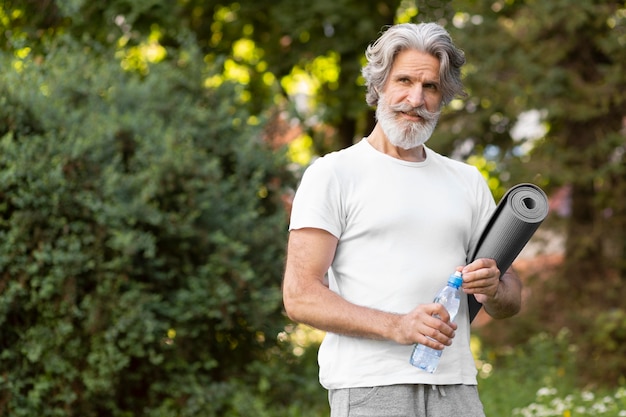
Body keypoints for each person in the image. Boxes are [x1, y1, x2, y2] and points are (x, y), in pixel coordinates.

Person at [282, 22, 522, 417]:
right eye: (404, 80)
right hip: (370, 389)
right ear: (378, 85)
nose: (416, 98)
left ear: (443, 96)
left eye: (430, 87)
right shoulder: (333, 174)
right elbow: (300, 296)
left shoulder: (468, 180)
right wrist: (397, 326)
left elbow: (510, 297)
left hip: (456, 389)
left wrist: (495, 287)